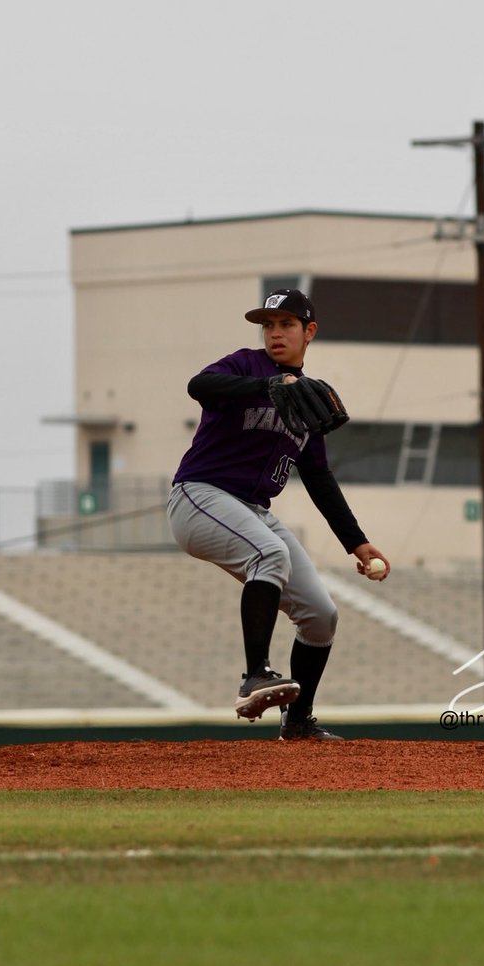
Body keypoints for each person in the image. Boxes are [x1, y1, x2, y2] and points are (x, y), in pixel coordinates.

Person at [167, 288, 390, 741]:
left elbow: (319, 477)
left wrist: (357, 542)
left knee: (320, 615)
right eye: (268, 325)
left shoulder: (308, 399)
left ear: (309, 332)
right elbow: (199, 386)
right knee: (269, 554)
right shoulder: (245, 365)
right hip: (199, 495)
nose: (274, 334)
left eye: (286, 324)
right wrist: (266, 385)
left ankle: (300, 720)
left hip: (250, 509)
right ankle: (255, 675)